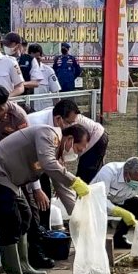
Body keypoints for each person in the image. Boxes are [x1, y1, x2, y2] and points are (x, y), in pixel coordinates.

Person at [0, 124, 91, 274]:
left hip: (10, 181)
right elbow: (48, 164)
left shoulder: (56, 153)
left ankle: (23, 265)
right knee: (10, 224)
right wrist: (75, 181)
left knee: (26, 216)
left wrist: (77, 216)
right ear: (70, 139)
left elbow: (61, 187)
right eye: (78, 149)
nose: (77, 154)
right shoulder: (49, 134)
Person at [26, 99, 107, 242]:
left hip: (46, 160)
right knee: (42, 195)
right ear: (58, 119)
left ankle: (83, 226)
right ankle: (41, 234)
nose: (73, 125)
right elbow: (33, 162)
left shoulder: (61, 129)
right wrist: (37, 190)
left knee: (63, 188)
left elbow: (58, 159)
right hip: (28, 163)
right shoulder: (37, 124)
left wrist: (64, 179)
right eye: (70, 123)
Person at [28, 43, 59, 110]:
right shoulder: (25, 71)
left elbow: (55, 93)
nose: (35, 63)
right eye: (33, 60)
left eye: (37, 59)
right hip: (30, 110)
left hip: (45, 109)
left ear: (41, 56)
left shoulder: (48, 71)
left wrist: (57, 111)